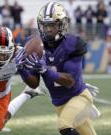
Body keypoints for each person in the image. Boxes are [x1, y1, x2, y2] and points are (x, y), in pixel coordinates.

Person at [15, 2, 99, 135]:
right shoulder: (36, 45)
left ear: (62, 25)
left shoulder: (72, 44)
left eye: (52, 25)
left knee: (64, 126)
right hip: (60, 104)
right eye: (45, 25)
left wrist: (44, 70)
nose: (48, 29)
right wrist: (21, 69)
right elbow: (34, 83)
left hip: (78, 98)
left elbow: (70, 81)